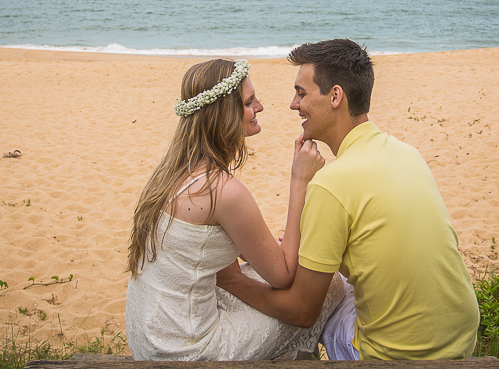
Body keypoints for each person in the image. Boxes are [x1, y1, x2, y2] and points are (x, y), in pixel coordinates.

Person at [216, 39, 480, 360]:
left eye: (301, 93)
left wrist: (231, 280)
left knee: (320, 307)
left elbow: (301, 312)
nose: (293, 104)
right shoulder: (407, 153)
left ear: (336, 96)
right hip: (462, 340)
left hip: (394, 356)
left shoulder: (331, 183)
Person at [126, 58, 344, 360]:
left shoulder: (171, 171)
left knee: (256, 274)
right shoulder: (222, 191)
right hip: (184, 351)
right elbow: (283, 276)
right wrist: (300, 180)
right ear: (223, 115)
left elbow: (210, 253)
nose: (260, 106)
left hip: (149, 335)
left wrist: (255, 265)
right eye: (249, 101)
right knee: (329, 286)